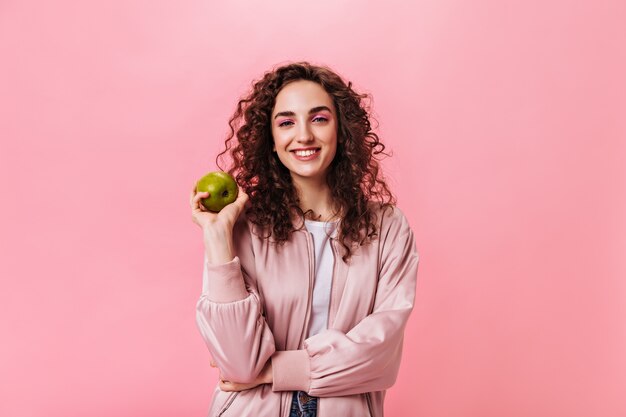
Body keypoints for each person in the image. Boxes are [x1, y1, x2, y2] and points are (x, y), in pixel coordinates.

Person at [189, 61, 419, 417]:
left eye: (319, 118)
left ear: (342, 130)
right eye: (286, 122)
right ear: (272, 141)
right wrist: (218, 241)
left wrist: (274, 371)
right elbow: (236, 363)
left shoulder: (387, 227)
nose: (304, 136)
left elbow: (380, 356)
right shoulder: (244, 228)